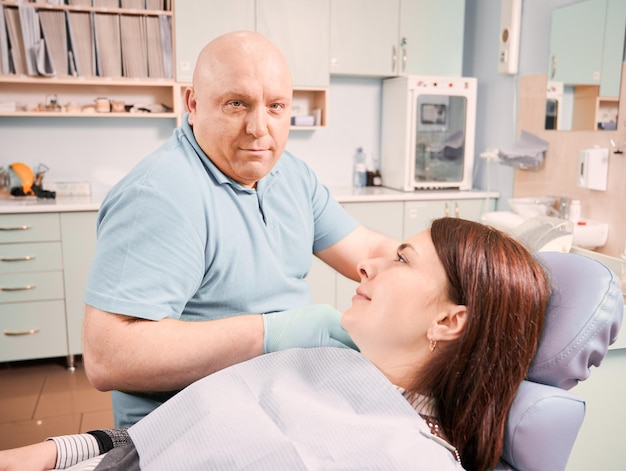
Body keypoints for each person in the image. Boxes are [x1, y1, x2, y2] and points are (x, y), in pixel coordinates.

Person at [0, 218, 552, 471]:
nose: (367, 262)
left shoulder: (412, 458)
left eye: (402, 258)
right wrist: (49, 454)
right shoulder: (324, 365)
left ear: (450, 322)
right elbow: (163, 436)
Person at [79, 30, 398, 428]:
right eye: (236, 104)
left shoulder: (290, 174)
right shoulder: (161, 195)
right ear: (193, 104)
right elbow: (107, 358)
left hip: (277, 398)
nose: (259, 128)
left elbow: (365, 246)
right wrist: (270, 334)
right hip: (192, 425)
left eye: (277, 106)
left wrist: (444, 266)